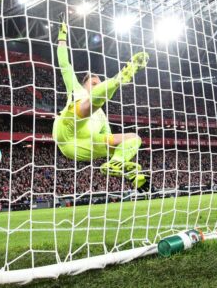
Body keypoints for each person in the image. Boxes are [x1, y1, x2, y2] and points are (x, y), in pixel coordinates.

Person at [52, 20, 151, 190]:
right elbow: (64, 64)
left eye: (98, 84)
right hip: (66, 132)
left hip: (83, 146)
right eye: (93, 83)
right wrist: (62, 36)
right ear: (84, 84)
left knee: (134, 138)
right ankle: (119, 79)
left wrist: (132, 173)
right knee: (87, 103)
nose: (96, 85)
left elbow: (110, 142)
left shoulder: (102, 116)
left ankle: (117, 163)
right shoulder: (76, 89)